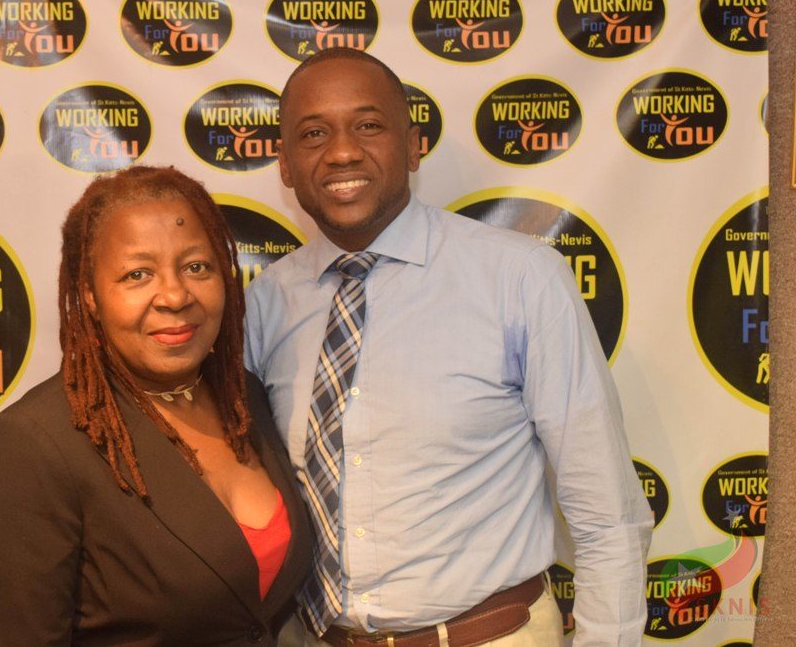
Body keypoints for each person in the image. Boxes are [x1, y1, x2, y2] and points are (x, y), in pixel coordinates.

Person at [244, 48, 653, 646]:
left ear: (413, 147)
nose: (342, 152)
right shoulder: (266, 303)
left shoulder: (519, 278)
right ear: (284, 164)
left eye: (368, 125)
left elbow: (607, 514)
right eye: (313, 133)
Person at [0, 166, 313, 645]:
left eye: (196, 267)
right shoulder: (30, 447)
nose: (175, 295)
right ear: (90, 295)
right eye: (137, 274)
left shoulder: (242, 396)